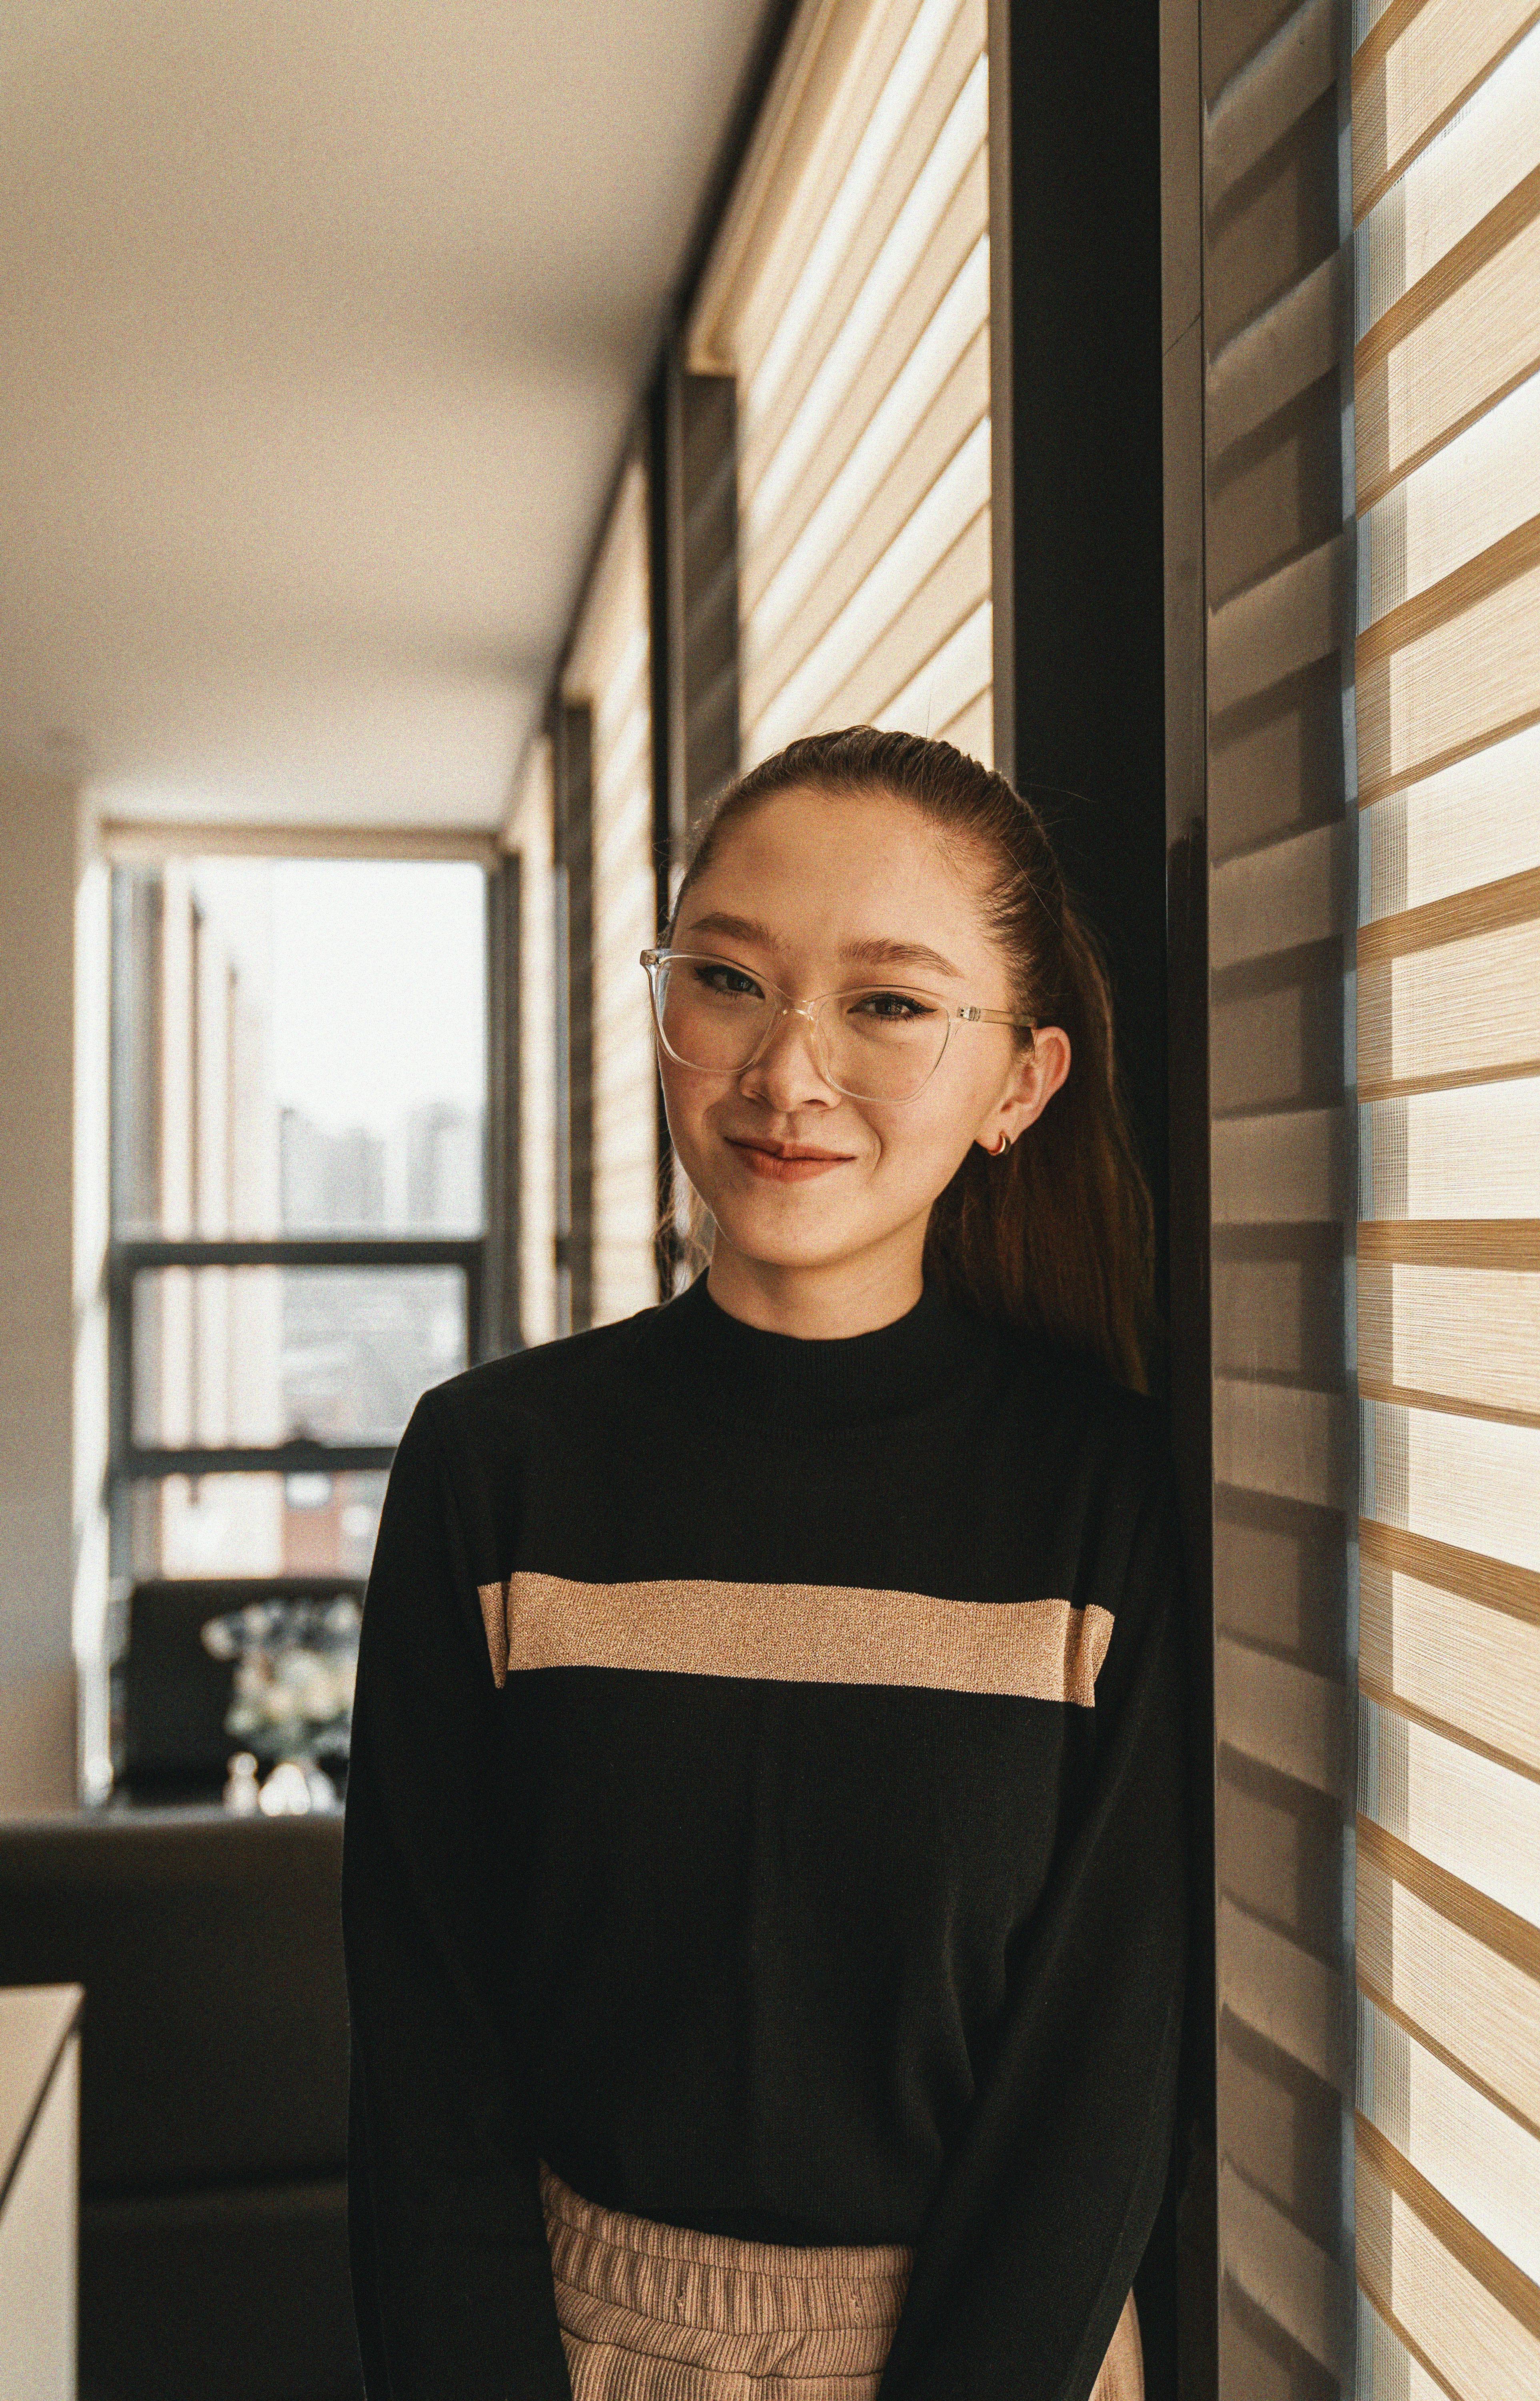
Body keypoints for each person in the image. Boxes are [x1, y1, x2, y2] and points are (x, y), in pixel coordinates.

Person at [341, 725, 1191, 2401]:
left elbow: (1093, 2099)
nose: (785, 1074)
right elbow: (425, 2062)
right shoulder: (489, 1469)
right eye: (726, 979)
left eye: (884, 1004)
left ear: (1019, 1083)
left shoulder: (1106, 1493)